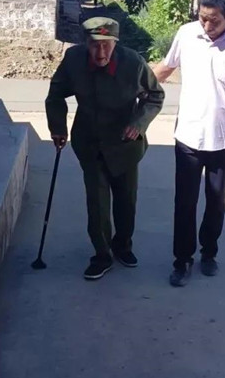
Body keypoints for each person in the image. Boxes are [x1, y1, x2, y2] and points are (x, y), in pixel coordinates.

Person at [154, 0, 225, 287]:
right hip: (188, 136)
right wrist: (133, 87)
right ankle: (182, 259)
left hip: (224, 139)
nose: (207, 25)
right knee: (184, 203)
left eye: (214, 20)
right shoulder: (187, 34)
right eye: (202, 18)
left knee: (216, 202)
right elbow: (165, 68)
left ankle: (209, 253)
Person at [45, 17, 164, 280]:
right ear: (85, 43)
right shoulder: (74, 60)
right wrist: (58, 127)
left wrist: (139, 123)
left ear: (115, 43)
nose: (100, 53)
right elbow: (55, 94)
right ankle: (102, 254)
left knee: (126, 201)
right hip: (90, 143)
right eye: (94, 45)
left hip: (125, 144)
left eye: (106, 45)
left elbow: (155, 96)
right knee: (97, 203)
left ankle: (123, 246)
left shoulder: (133, 63)